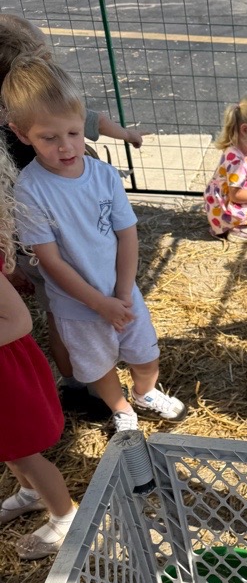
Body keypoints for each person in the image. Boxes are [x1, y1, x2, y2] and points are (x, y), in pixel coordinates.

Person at [3, 55, 186, 433]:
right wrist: (99, 303)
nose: (66, 147)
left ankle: (145, 392)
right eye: (49, 138)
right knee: (98, 367)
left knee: (146, 355)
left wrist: (123, 292)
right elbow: (50, 260)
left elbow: (127, 234)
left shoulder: (103, 175)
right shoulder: (30, 190)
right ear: (21, 134)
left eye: (73, 133)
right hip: (77, 307)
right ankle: (121, 409)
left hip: (123, 293)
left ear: (82, 120)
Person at [0, 12, 146, 420]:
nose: (64, 144)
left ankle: (84, 376)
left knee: (64, 311)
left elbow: (90, 118)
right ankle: (81, 381)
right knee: (64, 312)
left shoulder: (41, 109)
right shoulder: (27, 132)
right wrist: (10, 262)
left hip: (54, 235)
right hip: (38, 237)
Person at [0, 139, 77, 560]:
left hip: (7, 378)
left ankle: (64, 515)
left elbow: (19, 321)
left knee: (26, 453)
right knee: (10, 450)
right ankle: (30, 494)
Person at [204, 92, 247, 241]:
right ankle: (237, 228)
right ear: (245, 130)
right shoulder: (236, 160)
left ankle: (246, 222)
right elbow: (236, 195)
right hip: (225, 208)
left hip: (232, 199)